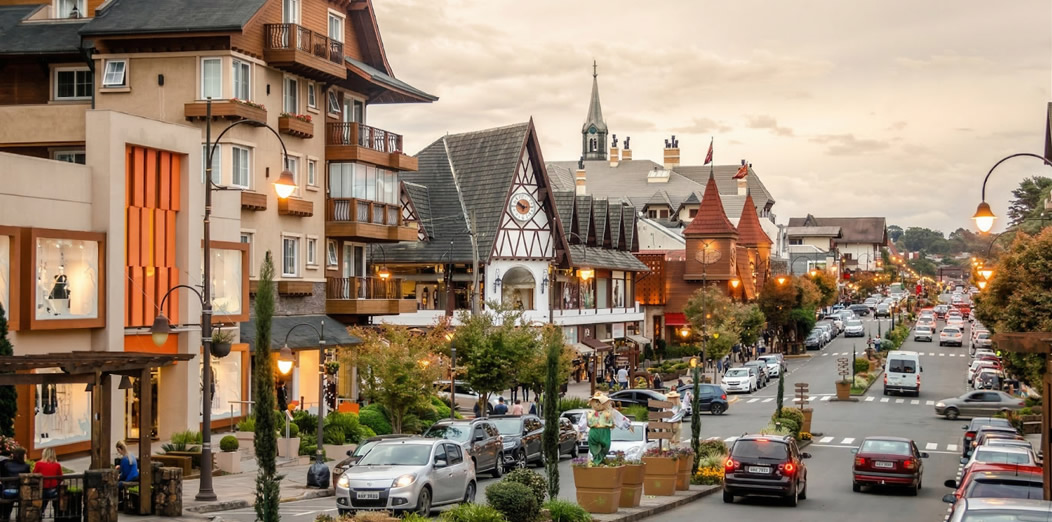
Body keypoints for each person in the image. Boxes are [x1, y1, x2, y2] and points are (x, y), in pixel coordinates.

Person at [576, 392, 632, 465]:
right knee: (593, 447)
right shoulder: (588, 413)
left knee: (606, 446)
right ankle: (597, 461)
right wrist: (580, 432)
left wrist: (628, 425)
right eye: (596, 402)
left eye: (599, 401)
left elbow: (619, 418)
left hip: (605, 432)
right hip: (594, 431)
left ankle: (600, 460)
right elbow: (582, 423)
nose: (598, 404)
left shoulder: (610, 412)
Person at [0, 448, 29, 519]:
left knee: (6, 505)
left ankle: (4, 516)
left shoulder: (5, 464)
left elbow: (2, 476)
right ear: (22, 456)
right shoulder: (26, 466)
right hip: (20, 491)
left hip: (6, 490)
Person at [33, 448, 62, 513]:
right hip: (53, 489)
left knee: (41, 506)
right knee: (57, 504)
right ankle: (57, 515)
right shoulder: (57, 465)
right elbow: (60, 477)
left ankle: (40, 515)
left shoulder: (38, 464)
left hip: (42, 489)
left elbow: (34, 475)